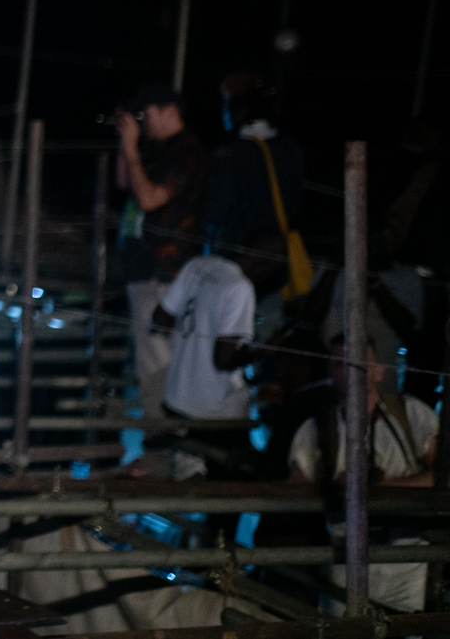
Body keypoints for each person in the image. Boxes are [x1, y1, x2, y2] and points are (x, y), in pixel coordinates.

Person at [287, 338, 441, 613]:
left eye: (360, 362)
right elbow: (296, 496)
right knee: (344, 628)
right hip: (345, 560)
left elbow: (445, 476)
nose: (350, 370)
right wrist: (333, 490)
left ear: (379, 371)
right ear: (331, 372)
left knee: (407, 627)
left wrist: (376, 487)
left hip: (406, 563)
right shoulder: (317, 430)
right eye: (340, 364)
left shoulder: (409, 413)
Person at [150, 227, 283, 477]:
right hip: (214, 411)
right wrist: (263, 351)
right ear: (266, 265)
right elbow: (224, 360)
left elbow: (159, 318)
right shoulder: (240, 287)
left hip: (178, 398)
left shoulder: (197, 265)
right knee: (230, 481)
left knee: (193, 477)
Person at [115, 82, 209, 417]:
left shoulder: (186, 153)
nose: (144, 121)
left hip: (164, 271)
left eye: (148, 113)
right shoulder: (158, 149)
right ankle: (163, 433)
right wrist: (126, 145)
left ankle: (162, 436)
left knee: (158, 360)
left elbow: (148, 198)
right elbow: (124, 183)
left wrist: (132, 149)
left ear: (171, 111)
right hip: (146, 267)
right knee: (150, 357)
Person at [203, 70, 306, 251]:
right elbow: (294, 203)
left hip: (235, 252)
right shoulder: (290, 148)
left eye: (226, 104)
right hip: (275, 253)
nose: (223, 112)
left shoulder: (231, 153)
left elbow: (215, 210)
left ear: (240, 108)